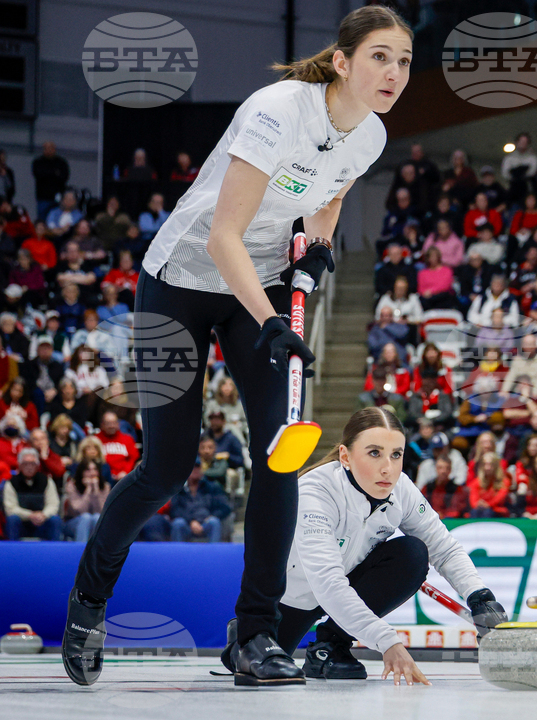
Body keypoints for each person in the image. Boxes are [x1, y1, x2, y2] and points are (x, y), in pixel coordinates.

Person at [61, 6, 413, 689]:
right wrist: (273, 318)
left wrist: (312, 253)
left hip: (268, 281)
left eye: (402, 60)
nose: (393, 73)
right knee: (165, 467)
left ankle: (253, 636)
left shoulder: (369, 136)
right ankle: (88, 601)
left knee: (281, 454)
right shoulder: (278, 111)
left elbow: (327, 201)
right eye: (379, 57)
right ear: (342, 62)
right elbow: (226, 236)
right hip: (182, 279)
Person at [255, 407, 508, 684]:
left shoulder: (401, 488)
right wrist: (388, 642)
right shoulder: (315, 492)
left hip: (348, 583)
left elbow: (444, 548)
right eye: (374, 453)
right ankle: (249, 630)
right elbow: (327, 583)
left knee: (412, 553)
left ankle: (329, 647)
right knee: (252, 662)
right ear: (345, 456)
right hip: (294, 598)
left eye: (396, 454)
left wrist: (480, 598)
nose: (388, 468)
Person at [3, 447, 61, 540]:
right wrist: (30, 515)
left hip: (42, 523)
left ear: (38, 465)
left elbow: (53, 504)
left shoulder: (46, 481)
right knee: (12, 519)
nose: (29, 467)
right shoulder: (11, 483)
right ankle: (13, 551)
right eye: (25, 464)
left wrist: (44, 515)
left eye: (32, 464)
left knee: (55, 520)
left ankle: (54, 551)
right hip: (21, 523)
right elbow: (10, 508)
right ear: (19, 465)